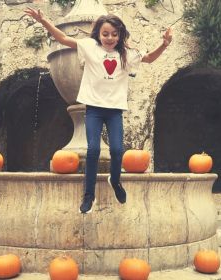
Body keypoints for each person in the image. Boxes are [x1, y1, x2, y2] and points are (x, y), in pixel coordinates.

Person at [24, 8, 172, 214]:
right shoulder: (90, 47)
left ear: (120, 35)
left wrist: (164, 44)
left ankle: (116, 180)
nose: (109, 38)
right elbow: (64, 38)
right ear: (98, 34)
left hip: (114, 111)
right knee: (93, 150)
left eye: (114, 34)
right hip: (93, 109)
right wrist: (43, 21)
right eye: (105, 34)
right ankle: (88, 195)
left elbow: (149, 58)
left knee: (118, 150)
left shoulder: (126, 54)